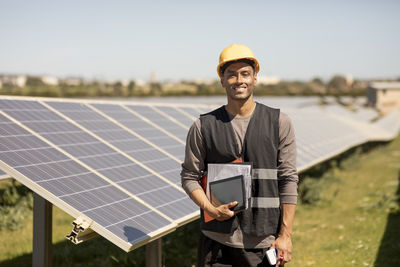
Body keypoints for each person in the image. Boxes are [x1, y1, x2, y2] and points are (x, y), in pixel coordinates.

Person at [181, 44, 298, 267]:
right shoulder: (203, 126)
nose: (239, 80)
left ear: (255, 78)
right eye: (231, 74)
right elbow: (189, 176)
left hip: (264, 242)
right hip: (215, 243)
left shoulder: (279, 122)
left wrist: (286, 235)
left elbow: (289, 179)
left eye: (245, 73)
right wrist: (210, 209)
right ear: (222, 80)